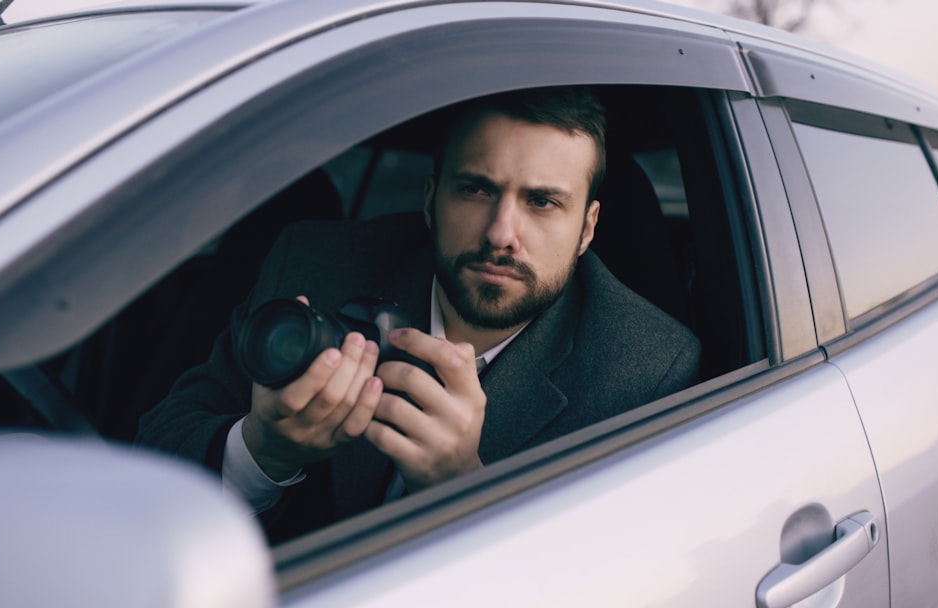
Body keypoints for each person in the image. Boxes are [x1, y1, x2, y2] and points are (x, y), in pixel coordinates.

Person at [137, 87, 701, 543]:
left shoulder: (648, 368)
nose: (502, 234)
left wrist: (466, 491)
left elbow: (611, 579)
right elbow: (155, 447)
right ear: (431, 199)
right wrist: (263, 451)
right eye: (476, 190)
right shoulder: (314, 264)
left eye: (542, 201)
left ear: (587, 228)